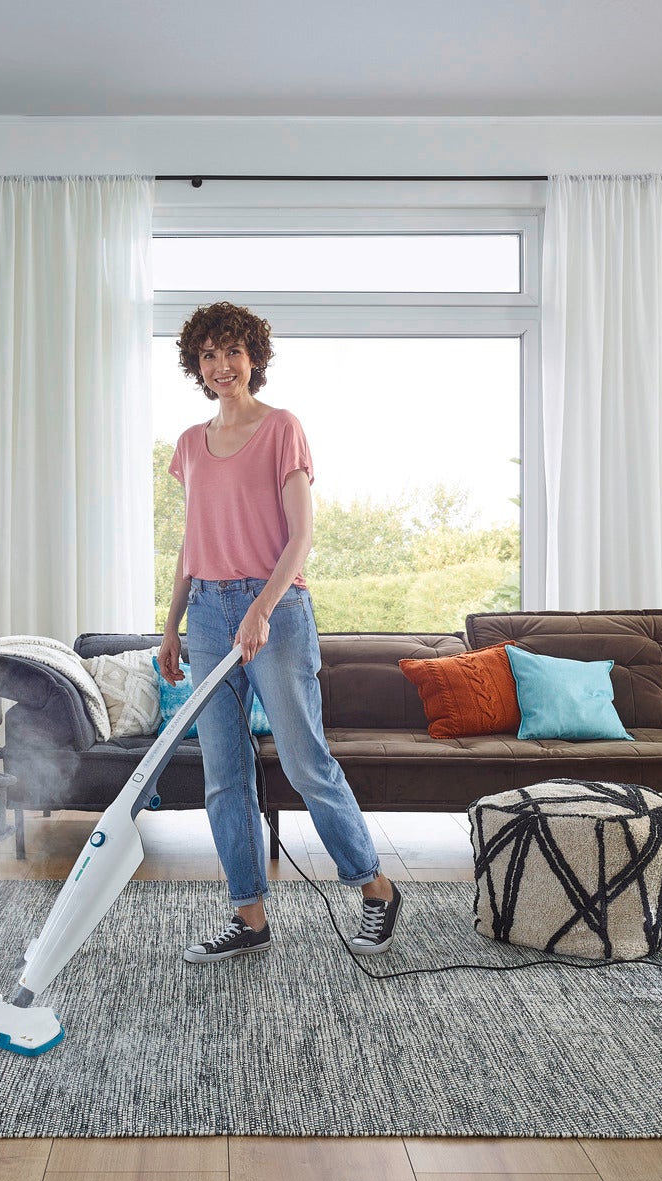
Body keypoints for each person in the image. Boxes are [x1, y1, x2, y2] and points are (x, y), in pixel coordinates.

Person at [158, 301, 400, 963]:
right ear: (197, 366)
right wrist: (172, 623)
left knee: (303, 760)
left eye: (232, 352)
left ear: (254, 358)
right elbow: (190, 542)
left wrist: (261, 607)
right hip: (207, 614)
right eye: (208, 355)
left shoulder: (282, 429)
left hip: (278, 610)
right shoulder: (189, 443)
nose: (221, 366)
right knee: (223, 774)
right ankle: (250, 916)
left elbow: (301, 536)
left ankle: (375, 888)